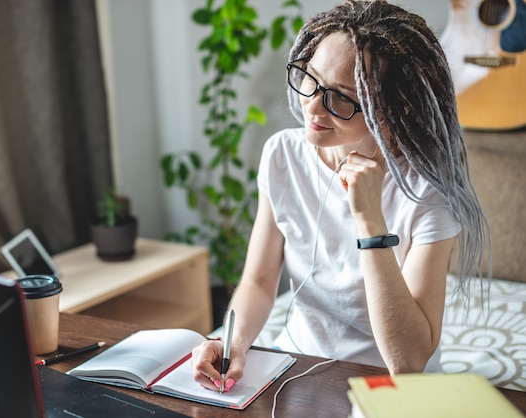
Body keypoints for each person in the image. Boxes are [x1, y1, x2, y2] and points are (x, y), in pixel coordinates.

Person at [191, 0, 490, 392]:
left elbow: (409, 360)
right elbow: (261, 280)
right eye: (309, 78)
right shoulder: (283, 154)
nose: (313, 106)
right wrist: (233, 344)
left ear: (392, 109)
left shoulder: (426, 191)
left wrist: (370, 222)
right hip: (297, 364)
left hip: (388, 386)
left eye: (342, 98)